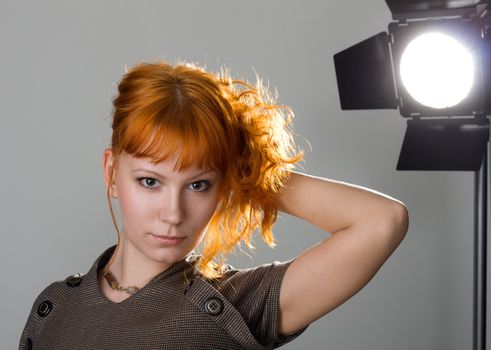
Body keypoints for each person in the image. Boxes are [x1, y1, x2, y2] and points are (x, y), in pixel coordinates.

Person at [19, 60, 409, 350]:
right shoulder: (55, 306)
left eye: (198, 184)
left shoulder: (235, 303)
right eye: (150, 181)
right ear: (111, 173)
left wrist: (251, 169)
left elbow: (382, 221)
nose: (173, 214)